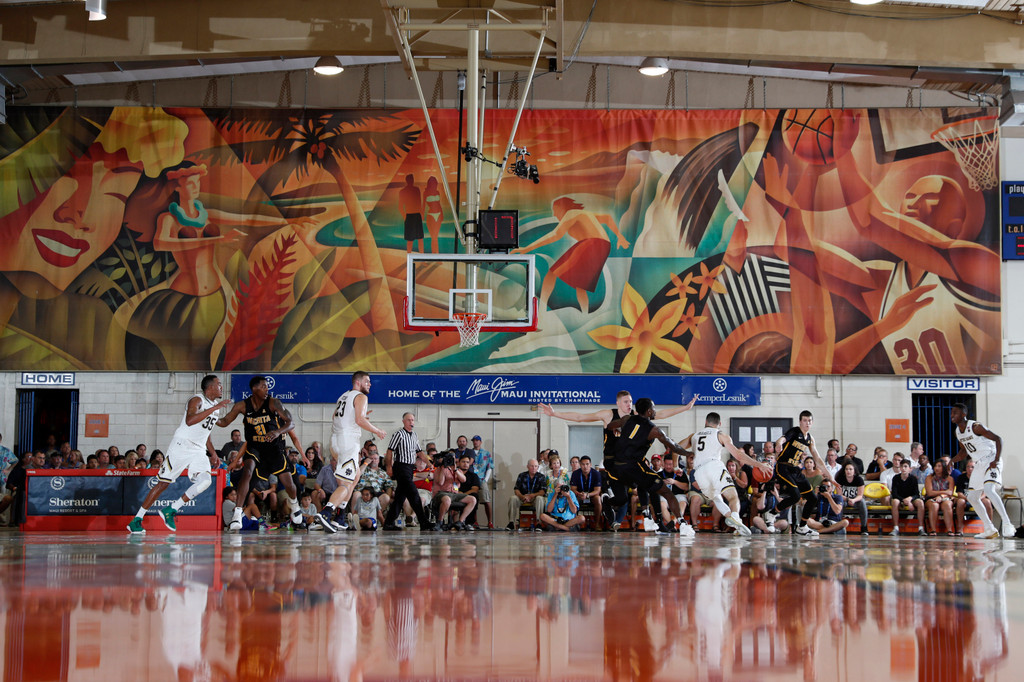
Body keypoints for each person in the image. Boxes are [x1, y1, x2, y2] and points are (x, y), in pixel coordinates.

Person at [539, 391, 696, 526]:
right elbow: (581, 417)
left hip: (631, 462)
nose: (629, 404)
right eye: (626, 402)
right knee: (624, 497)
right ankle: (634, 510)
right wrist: (555, 414)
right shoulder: (609, 414)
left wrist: (685, 408)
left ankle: (650, 517)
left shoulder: (634, 417)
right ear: (618, 402)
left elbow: (660, 414)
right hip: (612, 462)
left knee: (644, 484)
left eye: (631, 402)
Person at [127, 375, 231, 533]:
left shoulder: (214, 406)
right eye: (219, 384)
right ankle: (137, 519)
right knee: (163, 483)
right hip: (182, 446)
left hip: (198, 449)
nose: (221, 387)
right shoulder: (197, 400)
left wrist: (213, 453)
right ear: (210, 387)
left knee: (205, 481)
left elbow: (206, 431)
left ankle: (171, 509)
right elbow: (190, 421)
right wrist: (214, 409)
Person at [218, 376, 306, 531]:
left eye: (267, 387)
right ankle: (237, 514)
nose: (267, 390)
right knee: (248, 471)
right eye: (264, 387)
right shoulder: (242, 406)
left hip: (274, 449)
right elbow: (224, 422)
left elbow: (290, 422)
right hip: (255, 447)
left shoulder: (273, 402)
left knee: (288, 483)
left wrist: (277, 432)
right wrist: (209, 415)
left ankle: (294, 504)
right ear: (254, 389)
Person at [608, 398, 695, 533]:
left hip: (616, 467)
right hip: (632, 467)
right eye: (654, 408)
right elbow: (674, 447)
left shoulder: (627, 419)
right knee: (666, 491)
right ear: (649, 411)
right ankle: (682, 523)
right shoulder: (654, 430)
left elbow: (610, 425)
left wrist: (616, 431)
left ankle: (648, 517)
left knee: (646, 484)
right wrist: (688, 452)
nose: (655, 411)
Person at [316, 371, 389, 533]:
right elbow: (359, 420)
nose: (370, 384)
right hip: (347, 442)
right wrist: (377, 431)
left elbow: (335, 417)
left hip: (336, 440)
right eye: (367, 381)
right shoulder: (361, 397)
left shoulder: (343, 396)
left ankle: (340, 517)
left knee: (355, 476)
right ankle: (327, 512)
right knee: (346, 483)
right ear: (358, 382)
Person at [680, 412, 771, 536]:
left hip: (699, 472)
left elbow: (676, 447)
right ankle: (735, 516)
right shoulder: (720, 434)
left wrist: (676, 465)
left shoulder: (694, 435)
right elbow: (738, 455)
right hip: (713, 466)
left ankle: (734, 521)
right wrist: (759, 464)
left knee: (717, 498)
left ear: (706, 422)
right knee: (733, 497)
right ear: (720, 424)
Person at [951, 403, 1014, 539]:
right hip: (979, 463)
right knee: (972, 497)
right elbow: (963, 451)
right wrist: (952, 460)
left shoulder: (975, 427)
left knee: (989, 489)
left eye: (955, 412)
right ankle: (989, 529)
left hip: (991, 458)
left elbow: (998, 439)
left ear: (963, 414)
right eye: (951, 413)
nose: (952, 415)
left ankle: (1008, 523)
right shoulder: (957, 432)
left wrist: (996, 459)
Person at [773, 410, 834, 537]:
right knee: (795, 496)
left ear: (812, 423)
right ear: (800, 421)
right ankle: (772, 513)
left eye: (809, 421)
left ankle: (802, 527)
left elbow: (817, 459)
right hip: (783, 466)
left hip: (795, 469)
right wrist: (778, 444)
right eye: (805, 420)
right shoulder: (794, 431)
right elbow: (783, 438)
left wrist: (830, 476)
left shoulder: (810, 439)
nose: (807, 423)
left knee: (812, 498)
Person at [383, 412, 434, 531]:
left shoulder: (414, 435)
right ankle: (423, 522)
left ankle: (388, 523)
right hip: (401, 467)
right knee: (414, 494)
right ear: (403, 421)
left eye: (412, 420)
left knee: (400, 497)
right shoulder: (398, 434)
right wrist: (389, 467)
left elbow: (419, 452)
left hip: (410, 467)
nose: (411, 422)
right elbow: (390, 451)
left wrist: (429, 463)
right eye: (409, 420)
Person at [954, 459, 993, 537]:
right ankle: (960, 528)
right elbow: (959, 493)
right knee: (960, 501)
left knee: (987, 502)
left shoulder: (981, 477)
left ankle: (990, 528)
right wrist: (969, 499)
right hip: (966, 499)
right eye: (968, 467)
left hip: (979, 499)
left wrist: (978, 499)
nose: (970, 469)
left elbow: (984, 493)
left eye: (972, 467)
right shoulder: (961, 477)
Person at [506, 459, 547, 531]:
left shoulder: (541, 477)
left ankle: (539, 523)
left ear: (538, 467)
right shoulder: (522, 475)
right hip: (522, 497)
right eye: (532, 466)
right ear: (527, 466)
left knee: (540, 499)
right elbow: (516, 489)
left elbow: (542, 491)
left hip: (535, 498)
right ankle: (511, 522)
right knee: (513, 498)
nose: (534, 468)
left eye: (536, 466)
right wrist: (522, 497)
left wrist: (532, 495)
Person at [889, 458, 926, 536]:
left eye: (905, 466)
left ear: (910, 469)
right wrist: (903, 500)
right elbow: (894, 494)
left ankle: (921, 528)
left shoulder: (913, 479)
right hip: (899, 499)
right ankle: (896, 528)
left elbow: (916, 494)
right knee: (894, 501)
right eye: (902, 466)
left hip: (910, 499)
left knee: (920, 502)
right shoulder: (896, 478)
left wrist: (910, 499)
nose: (903, 468)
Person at [834, 462, 868, 536]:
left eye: (850, 469)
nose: (848, 471)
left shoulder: (859, 480)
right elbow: (839, 495)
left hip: (856, 500)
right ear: (844, 471)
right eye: (846, 469)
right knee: (839, 502)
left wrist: (853, 500)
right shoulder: (840, 479)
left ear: (854, 471)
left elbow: (860, 495)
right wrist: (848, 499)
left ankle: (864, 528)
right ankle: (838, 527)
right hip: (845, 499)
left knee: (862, 502)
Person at [569, 455, 603, 528]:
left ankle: (597, 524)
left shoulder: (596, 474)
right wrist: (579, 494)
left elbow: (597, 490)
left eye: (587, 464)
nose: (585, 466)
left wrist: (587, 495)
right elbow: (573, 489)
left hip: (592, 495)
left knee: (598, 499)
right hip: (579, 495)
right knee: (573, 499)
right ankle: (574, 523)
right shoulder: (575, 474)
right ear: (580, 465)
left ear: (590, 464)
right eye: (583, 464)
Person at [925, 459, 956, 536]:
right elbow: (930, 492)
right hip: (931, 498)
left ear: (944, 468)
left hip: (945, 498)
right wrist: (944, 492)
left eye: (939, 466)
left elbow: (950, 492)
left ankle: (949, 530)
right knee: (934, 505)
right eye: (935, 466)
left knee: (948, 504)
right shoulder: (929, 478)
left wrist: (941, 496)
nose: (936, 468)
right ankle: (933, 530)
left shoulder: (950, 478)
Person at [470, 435, 494, 529]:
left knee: (486, 500)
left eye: (477, 440)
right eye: (474, 440)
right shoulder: (470, 452)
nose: (475, 442)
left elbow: (489, 467)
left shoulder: (486, 453)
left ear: (480, 442)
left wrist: (486, 479)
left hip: (482, 479)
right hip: (472, 479)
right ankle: (474, 521)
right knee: (473, 500)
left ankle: (490, 522)